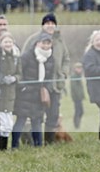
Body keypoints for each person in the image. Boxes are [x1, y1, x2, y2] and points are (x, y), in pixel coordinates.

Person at [22, 14, 70, 144]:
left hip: (55, 84)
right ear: (42, 25)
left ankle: (49, 141)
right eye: (47, 23)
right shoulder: (33, 39)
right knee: (35, 115)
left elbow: (66, 59)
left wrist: (64, 73)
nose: (50, 26)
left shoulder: (59, 40)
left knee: (53, 114)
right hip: (38, 85)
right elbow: (24, 58)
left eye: (52, 23)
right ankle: (30, 141)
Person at [12, 33, 54, 148]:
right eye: (43, 43)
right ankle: (14, 146)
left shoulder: (50, 58)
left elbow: (50, 77)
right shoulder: (27, 56)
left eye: (48, 43)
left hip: (38, 95)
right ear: (37, 43)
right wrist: (24, 87)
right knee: (20, 120)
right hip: (25, 94)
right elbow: (20, 72)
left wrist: (46, 88)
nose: (45, 46)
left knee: (37, 121)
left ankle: (38, 146)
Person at [0, 32, 20, 150]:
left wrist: (14, 78)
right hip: (0, 92)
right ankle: (0, 147)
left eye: (10, 41)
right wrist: (2, 79)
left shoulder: (16, 57)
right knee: (1, 123)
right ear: (1, 43)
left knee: (8, 124)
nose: (8, 44)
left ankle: (5, 147)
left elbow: (20, 73)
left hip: (11, 93)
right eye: (5, 42)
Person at [70, 62, 86, 130]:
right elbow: (74, 88)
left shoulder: (78, 76)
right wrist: (78, 95)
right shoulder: (74, 76)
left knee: (80, 111)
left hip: (79, 97)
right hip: (76, 97)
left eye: (80, 68)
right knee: (78, 111)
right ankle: (76, 125)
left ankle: (77, 124)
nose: (80, 69)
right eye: (78, 68)